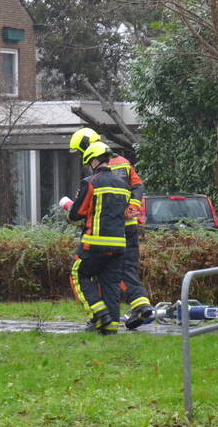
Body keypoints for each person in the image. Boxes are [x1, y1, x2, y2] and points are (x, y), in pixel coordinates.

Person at [69, 127, 153, 329]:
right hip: (127, 229)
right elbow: (138, 186)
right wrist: (133, 207)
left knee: (104, 273)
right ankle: (140, 306)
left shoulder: (99, 170)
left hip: (107, 229)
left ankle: (100, 315)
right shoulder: (123, 163)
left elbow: (92, 202)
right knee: (123, 271)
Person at [64, 141, 130, 335]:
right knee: (110, 284)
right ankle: (109, 328)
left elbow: (76, 213)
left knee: (78, 274)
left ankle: (97, 311)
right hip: (118, 245)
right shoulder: (123, 185)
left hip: (94, 243)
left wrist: (68, 205)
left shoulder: (91, 182)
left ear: (92, 160)